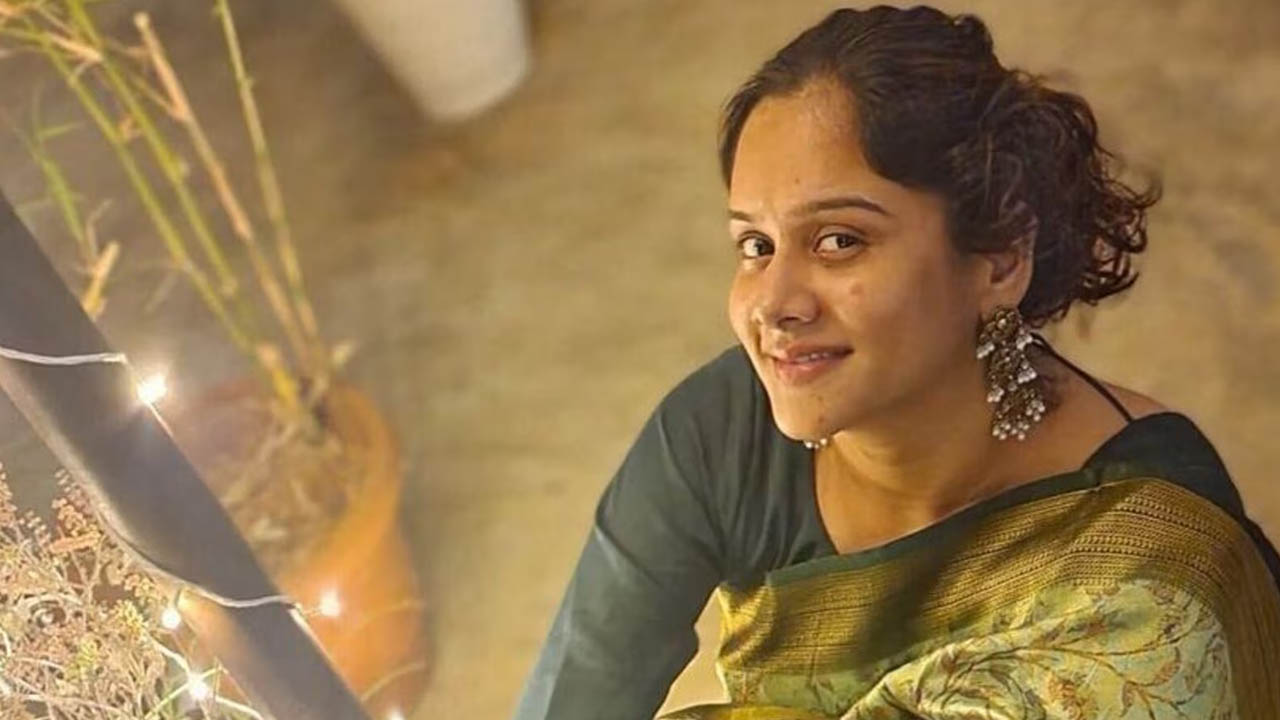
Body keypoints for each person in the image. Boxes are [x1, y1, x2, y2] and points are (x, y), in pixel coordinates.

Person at [512, 6, 1280, 719]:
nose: (772, 305)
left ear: (1000, 257)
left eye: (839, 240)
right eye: (756, 245)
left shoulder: (1154, 558)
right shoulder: (727, 430)